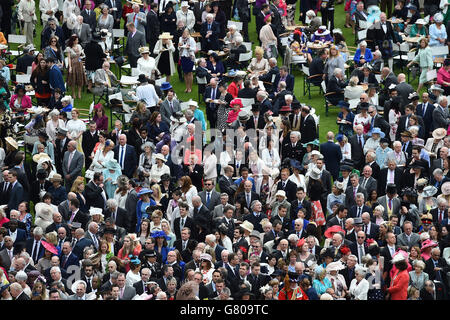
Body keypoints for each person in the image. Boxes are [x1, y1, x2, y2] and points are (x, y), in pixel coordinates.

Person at [178, 28, 196, 93]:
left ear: (188, 33)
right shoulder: (180, 38)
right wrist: (179, 46)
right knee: (185, 73)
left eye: (185, 33)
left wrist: (189, 48)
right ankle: (187, 87)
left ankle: (190, 88)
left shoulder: (191, 39)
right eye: (183, 33)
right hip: (183, 57)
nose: (183, 34)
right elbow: (179, 48)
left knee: (189, 73)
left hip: (190, 57)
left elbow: (194, 48)